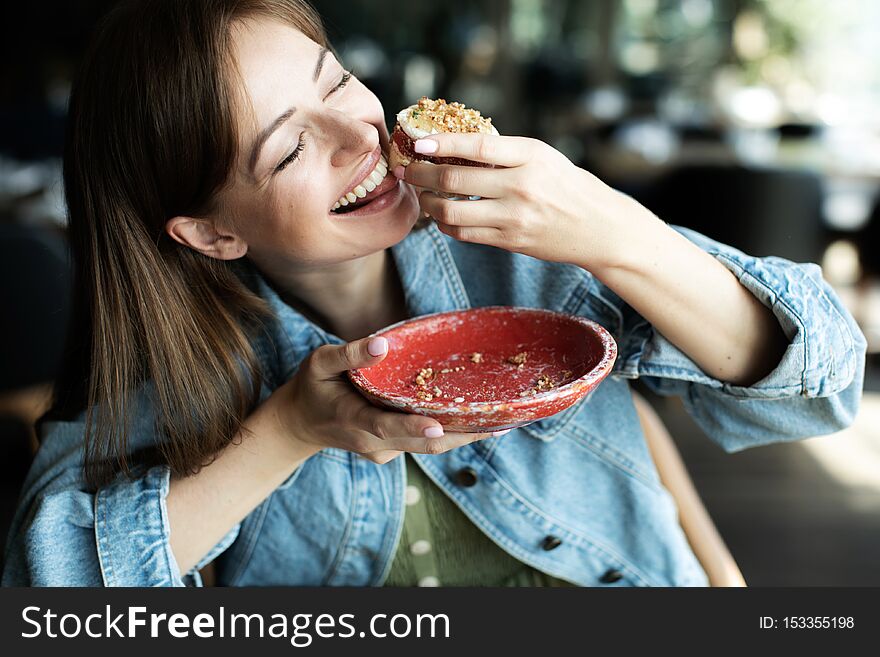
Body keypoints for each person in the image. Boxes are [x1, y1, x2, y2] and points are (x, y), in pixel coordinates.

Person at [1, 0, 865, 587]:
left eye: (336, 81)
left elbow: (823, 386)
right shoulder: (181, 376)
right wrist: (289, 431)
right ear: (213, 233)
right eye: (289, 148)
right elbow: (50, 591)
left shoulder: (529, 250)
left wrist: (612, 226)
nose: (359, 135)